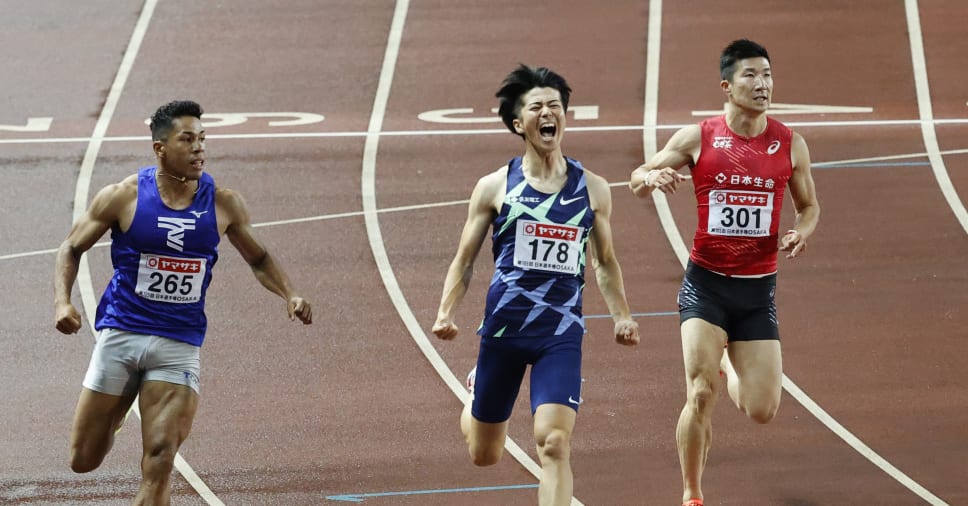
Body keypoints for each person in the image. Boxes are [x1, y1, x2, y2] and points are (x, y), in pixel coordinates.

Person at [53, 100, 313, 505]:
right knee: (82, 460)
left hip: (178, 345)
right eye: (187, 139)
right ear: (160, 148)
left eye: (202, 139)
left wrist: (290, 292)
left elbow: (259, 258)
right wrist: (62, 303)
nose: (199, 149)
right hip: (121, 334)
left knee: (159, 459)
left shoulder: (224, 203)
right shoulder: (122, 197)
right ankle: (117, 413)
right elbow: (71, 248)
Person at [431, 65, 640, 506]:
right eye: (537, 107)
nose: (549, 113)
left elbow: (605, 263)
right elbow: (464, 260)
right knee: (484, 455)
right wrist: (445, 312)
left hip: (559, 334)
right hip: (504, 332)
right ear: (517, 123)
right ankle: (476, 397)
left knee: (555, 444)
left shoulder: (594, 190)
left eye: (555, 106)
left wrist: (622, 316)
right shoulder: (494, 187)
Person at [629, 39, 820, 506]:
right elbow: (636, 177)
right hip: (705, 288)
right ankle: (692, 494)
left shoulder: (790, 143)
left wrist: (802, 230)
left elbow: (810, 205)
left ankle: (725, 364)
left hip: (758, 293)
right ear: (726, 86)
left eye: (768, 75)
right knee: (699, 393)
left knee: (762, 410)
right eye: (751, 75)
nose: (763, 84)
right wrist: (651, 178)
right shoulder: (699, 138)